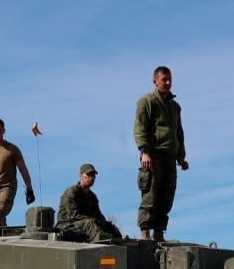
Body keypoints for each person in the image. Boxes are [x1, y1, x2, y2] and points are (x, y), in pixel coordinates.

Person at [134, 65, 187, 241]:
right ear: (155, 81)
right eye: (164, 79)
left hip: (170, 157)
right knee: (150, 195)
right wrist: (144, 151)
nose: (168, 82)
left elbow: (178, 132)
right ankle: (145, 233)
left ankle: (159, 232)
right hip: (153, 155)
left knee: (166, 197)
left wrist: (181, 157)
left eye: (170, 79)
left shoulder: (175, 107)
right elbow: (140, 127)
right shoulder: (147, 101)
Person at [58, 164, 123, 242]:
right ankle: (102, 240)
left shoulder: (92, 196)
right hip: (68, 225)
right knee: (91, 223)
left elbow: (98, 215)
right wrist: (95, 221)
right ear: (81, 176)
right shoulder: (72, 192)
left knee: (107, 225)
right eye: (88, 175)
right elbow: (74, 216)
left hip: (85, 224)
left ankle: (120, 241)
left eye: (93, 175)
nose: (91, 177)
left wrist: (105, 224)